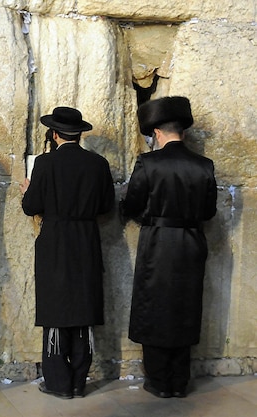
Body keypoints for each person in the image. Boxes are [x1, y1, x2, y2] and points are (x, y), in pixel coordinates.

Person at [120, 96, 217, 398]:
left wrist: (150, 218)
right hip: (191, 244)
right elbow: (209, 211)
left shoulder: (148, 163)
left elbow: (132, 204)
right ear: (183, 132)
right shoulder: (204, 165)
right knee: (184, 307)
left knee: (155, 307)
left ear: (157, 133)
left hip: (158, 243)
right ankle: (179, 380)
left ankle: (159, 381)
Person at [20, 106, 114, 399]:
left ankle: (59, 383)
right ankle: (78, 382)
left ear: (55, 134)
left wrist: (27, 191)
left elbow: (30, 207)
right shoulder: (98, 164)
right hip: (86, 239)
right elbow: (107, 206)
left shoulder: (45, 164)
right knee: (83, 308)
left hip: (56, 240)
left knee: (56, 308)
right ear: (79, 134)